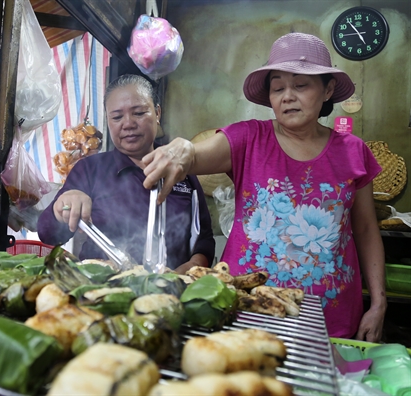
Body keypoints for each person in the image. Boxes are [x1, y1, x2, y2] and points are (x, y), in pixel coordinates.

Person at [142, 33, 386, 342]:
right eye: (278, 87)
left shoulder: (354, 151)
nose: (287, 96)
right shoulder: (248, 138)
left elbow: (365, 229)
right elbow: (197, 153)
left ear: (328, 89)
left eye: (301, 85)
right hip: (249, 310)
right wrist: (183, 151)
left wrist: (378, 302)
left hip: (331, 313)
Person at [37, 74, 216, 273]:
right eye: (117, 117)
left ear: (157, 113)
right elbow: (48, 234)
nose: (128, 123)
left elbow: (204, 239)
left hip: (172, 293)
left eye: (139, 113)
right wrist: (63, 205)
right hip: (100, 292)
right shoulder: (90, 169)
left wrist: (185, 272)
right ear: (108, 120)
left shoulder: (181, 169)